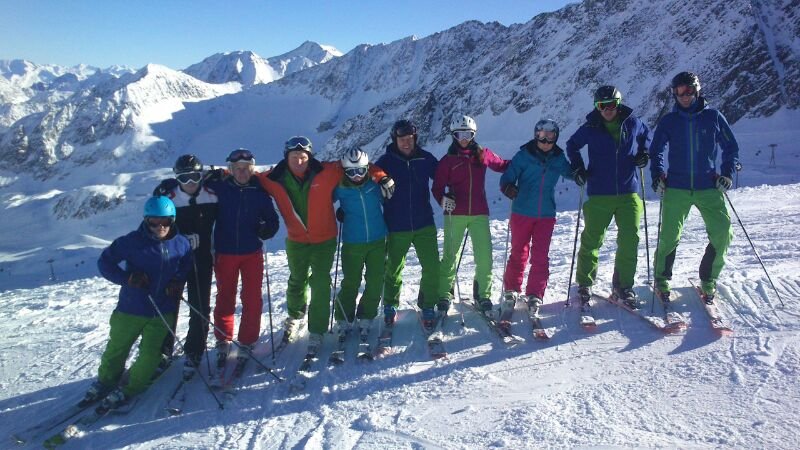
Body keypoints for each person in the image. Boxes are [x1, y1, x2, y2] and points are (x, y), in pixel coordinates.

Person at [258, 137, 393, 354]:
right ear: (286, 157)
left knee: (323, 283)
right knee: (297, 279)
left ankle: (320, 330)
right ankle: (297, 315)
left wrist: (382, 176)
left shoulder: (328, 172)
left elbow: (361, 165)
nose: (299, 161)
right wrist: (216, 174)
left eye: (303, 156)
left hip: (328, 239)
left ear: (310, 157)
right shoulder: (274, 177)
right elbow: (246, 174)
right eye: (294, 157)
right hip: (299, 239)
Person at [83, 196, 192, 410]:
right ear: (146, 220)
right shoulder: (131, 242)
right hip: (131, 308)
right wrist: (127, 278)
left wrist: (177, 281)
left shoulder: (181, 243)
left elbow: (186, 264)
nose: (160, 227)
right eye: (154, 221)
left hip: (162, 310)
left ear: (172, 220)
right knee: (117, 348)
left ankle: (130, 388)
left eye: (165, 221)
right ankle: (106, 381)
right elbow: (105, 262)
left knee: (150, 355)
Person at [649, 71, 739, 305]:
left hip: (708, 185)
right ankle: (661, 279)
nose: (684, 96)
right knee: (669, 236)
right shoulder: (669, 121)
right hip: (676, 187)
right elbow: (656, 151)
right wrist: (657, 175)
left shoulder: (713, 117)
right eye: (679, 91)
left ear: (697, 90)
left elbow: (731, 147)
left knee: (723, 232)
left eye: (688, 90)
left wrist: (727, 173)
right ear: (674, 94)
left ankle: (708, 279)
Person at [565, 85, 651, 309]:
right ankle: (584, 285)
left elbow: (646, 135)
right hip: (599, 193)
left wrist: (644, 152)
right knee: (592, 241)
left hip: (628, 193)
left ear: (618, 104)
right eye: (602, 105)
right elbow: (572, 145)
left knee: (629, 240)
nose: (607, 109)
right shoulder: (591, 127)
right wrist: (578, 167)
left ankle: (623, 286)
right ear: (597, 107)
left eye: (611, 104)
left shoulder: (632, 123)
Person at [203, 149, 279, 369]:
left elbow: (272, 220)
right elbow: (191, 186)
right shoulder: (220, 188)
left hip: (251, 252)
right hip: (225, 252)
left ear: (252, 169)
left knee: (252, 297)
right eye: (238, 168)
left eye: (246, 168)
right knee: (225, 296)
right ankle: (223, 338)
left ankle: (247, 339)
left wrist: (266, 230)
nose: (242, 172)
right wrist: (207, 177)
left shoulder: (259, 192)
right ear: (231, 169)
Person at [431, 114, 508, 323]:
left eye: (468, 134)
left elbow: (502, 165)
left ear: (473, 134)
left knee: (485, 256)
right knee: (450, 256)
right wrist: (443, 199)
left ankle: (483, 295)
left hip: (479, 213)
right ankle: (444, 294)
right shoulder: (448, 161)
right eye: (459, 134)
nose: (464, 139)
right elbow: (437, 187)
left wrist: (524, 162)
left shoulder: (482, 154)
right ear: (453, 136)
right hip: (455, 213)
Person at [153, 154, 218, 376]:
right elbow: (155, 227)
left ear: (202, 176)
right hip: (174, 261)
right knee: (169, 304)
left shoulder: (212, 195)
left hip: (201, 259)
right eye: (184, 178)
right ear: (176, 178)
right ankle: (163, 350)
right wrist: (178, 239)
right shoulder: (168, 198)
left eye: (195, 177)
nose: (190, 183)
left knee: (200, 305)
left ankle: (195, 350)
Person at [499, 119, 573, 315]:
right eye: (541, 136)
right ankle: (511, 289)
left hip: (546, 215)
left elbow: (570, 172)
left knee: (540, 255)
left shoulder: (558, 158)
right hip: (522, 212)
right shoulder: (524, 155)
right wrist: (508, 187)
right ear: (535, 135)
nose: (545, 141)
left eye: (550, 136)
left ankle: (535, 293)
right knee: (519, 251)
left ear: (555, 138)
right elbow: (507, 176)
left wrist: (581, 173)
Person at [376, 120, 440, 328]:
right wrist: (380, 177)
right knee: (393, 268)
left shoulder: (425, 158)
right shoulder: (386, 161)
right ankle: (390, 305)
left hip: (424, 222)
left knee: (432, 266)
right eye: (402, 139)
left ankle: (428, 304)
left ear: (415, 138)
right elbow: (370, 174)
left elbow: (443, 175)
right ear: (395, 140)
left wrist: (451, 191)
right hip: (397, 224)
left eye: (410, 139)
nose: (406, 143)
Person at [332, 149, 388, 337]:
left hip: (377, 239)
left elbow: (387, 200)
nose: (356, 176)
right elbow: (324, 200)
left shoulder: (373, 185)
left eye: (361, 171)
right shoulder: (340, 188)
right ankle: (343, 317)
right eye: (351, 172)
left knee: (375, 280)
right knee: (351, 281)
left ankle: (366, 314)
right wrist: (338, 212)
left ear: (367, 169)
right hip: (352, 242)